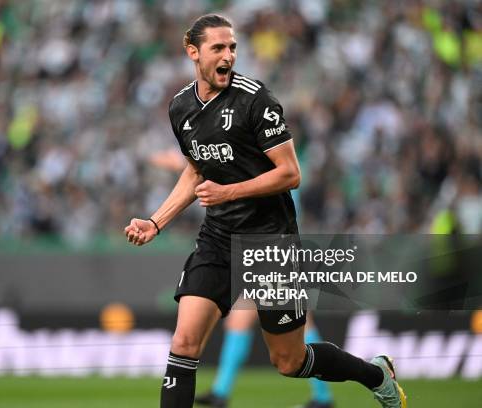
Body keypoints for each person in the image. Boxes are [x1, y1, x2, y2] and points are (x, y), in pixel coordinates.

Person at [124, 14, 406, 408]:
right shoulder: (180, 108)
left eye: (232, 47)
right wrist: (156, 221)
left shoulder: (256, 100)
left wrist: (229, 192)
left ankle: (375, 374)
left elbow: (291, 173)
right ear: (193, 52)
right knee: (184, 342)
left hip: (269, 241)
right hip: (218, 239)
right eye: (218, 48)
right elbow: (195, 170)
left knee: (289, 361)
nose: (228, 55)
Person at [195, 310, 334, 408]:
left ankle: (323, 397)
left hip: (277, 271)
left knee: (302, 323)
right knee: (238, 321)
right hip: (261, 272)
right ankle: (220, 392)